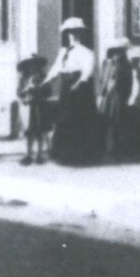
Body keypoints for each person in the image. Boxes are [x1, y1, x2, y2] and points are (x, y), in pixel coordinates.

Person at [46, 18, 99, 167]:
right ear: (67, 34)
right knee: (64, 118)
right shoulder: (63, 52)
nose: (73, 35)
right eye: (70, 32)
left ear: (81, 34)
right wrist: (46, 80)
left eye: (76, 32)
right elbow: (56, 69)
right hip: (66, 86)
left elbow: (87, 72)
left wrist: (78, 84)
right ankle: (64, 155)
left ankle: (80, 156)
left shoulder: (87, 52)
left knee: (78, 119)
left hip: (79, 89)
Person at [16, 54, 51, 163]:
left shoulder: (44, 78)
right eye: (30, 65)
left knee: (39, 131)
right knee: (28, 132)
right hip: (28, 107)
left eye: (35, 64)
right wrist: (26, 90)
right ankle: (28, 154)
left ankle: (39, 154)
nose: (33, 67)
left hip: (40, 107)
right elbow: (19, 92)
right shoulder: (23, 79)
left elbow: (49, 92)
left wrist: (38, 90)